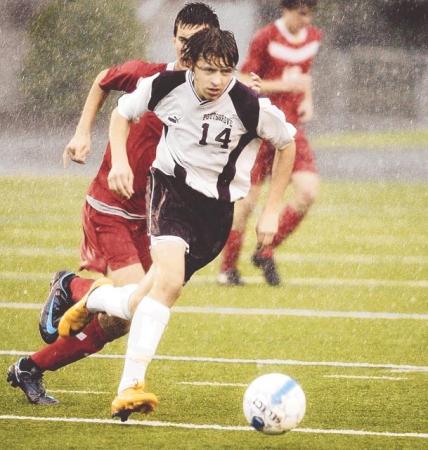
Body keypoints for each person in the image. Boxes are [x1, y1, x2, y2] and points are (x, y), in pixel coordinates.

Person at [58, 27, 296, 422]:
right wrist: (118, 160)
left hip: (215, 216)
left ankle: (93, 299)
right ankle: (129, 388)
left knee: (139, 302)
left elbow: (285, 143)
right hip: (169, 195)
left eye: (225, 71)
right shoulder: (165, 85)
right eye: (208, 70)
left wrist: (271, 209)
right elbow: (121, 113)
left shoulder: (250, 105)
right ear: (192, 66)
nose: (217, 81)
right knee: (168, 285)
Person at [7, 2, 221, 406]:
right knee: (135, 302)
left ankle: (30, 367)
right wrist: (83, 135)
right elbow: (104, 81)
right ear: (173, 39)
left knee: (119, 320)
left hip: (153, 217)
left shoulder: (214, 97)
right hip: (110, 207)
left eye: (196, 42)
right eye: (182, 40)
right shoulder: (150, 76)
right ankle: (71, 284)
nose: (186, 49)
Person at [218, 0, 321, 286]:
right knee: (246, 203)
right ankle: (228, 270)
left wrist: (307, 100)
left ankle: (265, 249)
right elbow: (245, 80)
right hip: (261, 128)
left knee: (308, 192)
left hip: (291, 131)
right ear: (286, 9)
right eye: (302, 13)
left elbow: (303, 76)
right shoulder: (265, 38)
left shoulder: (313, 37)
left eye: (311, 13)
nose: (307, 19)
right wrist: (282, 87)